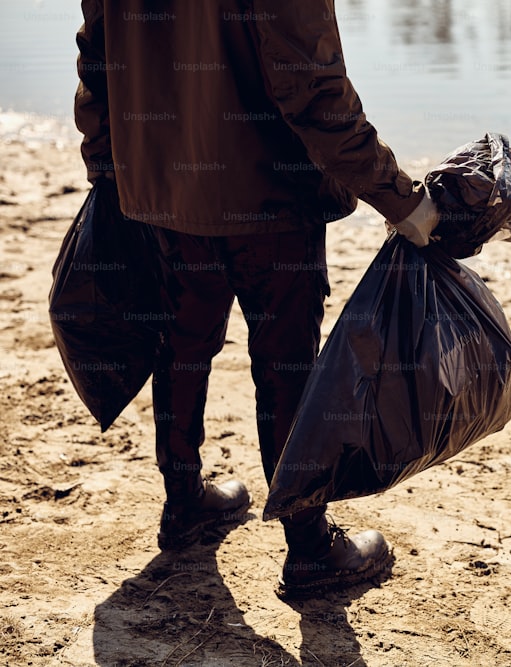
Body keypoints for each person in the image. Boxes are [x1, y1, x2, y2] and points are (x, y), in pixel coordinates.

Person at [74, 0, 439, 599]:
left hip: (162, 182)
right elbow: (314, 93)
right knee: (285, 360)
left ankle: (184, 498)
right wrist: (404, 202)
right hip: (268, 194)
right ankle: (309, 546)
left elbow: (98, 56)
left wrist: (109, 167)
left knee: (182, 339)